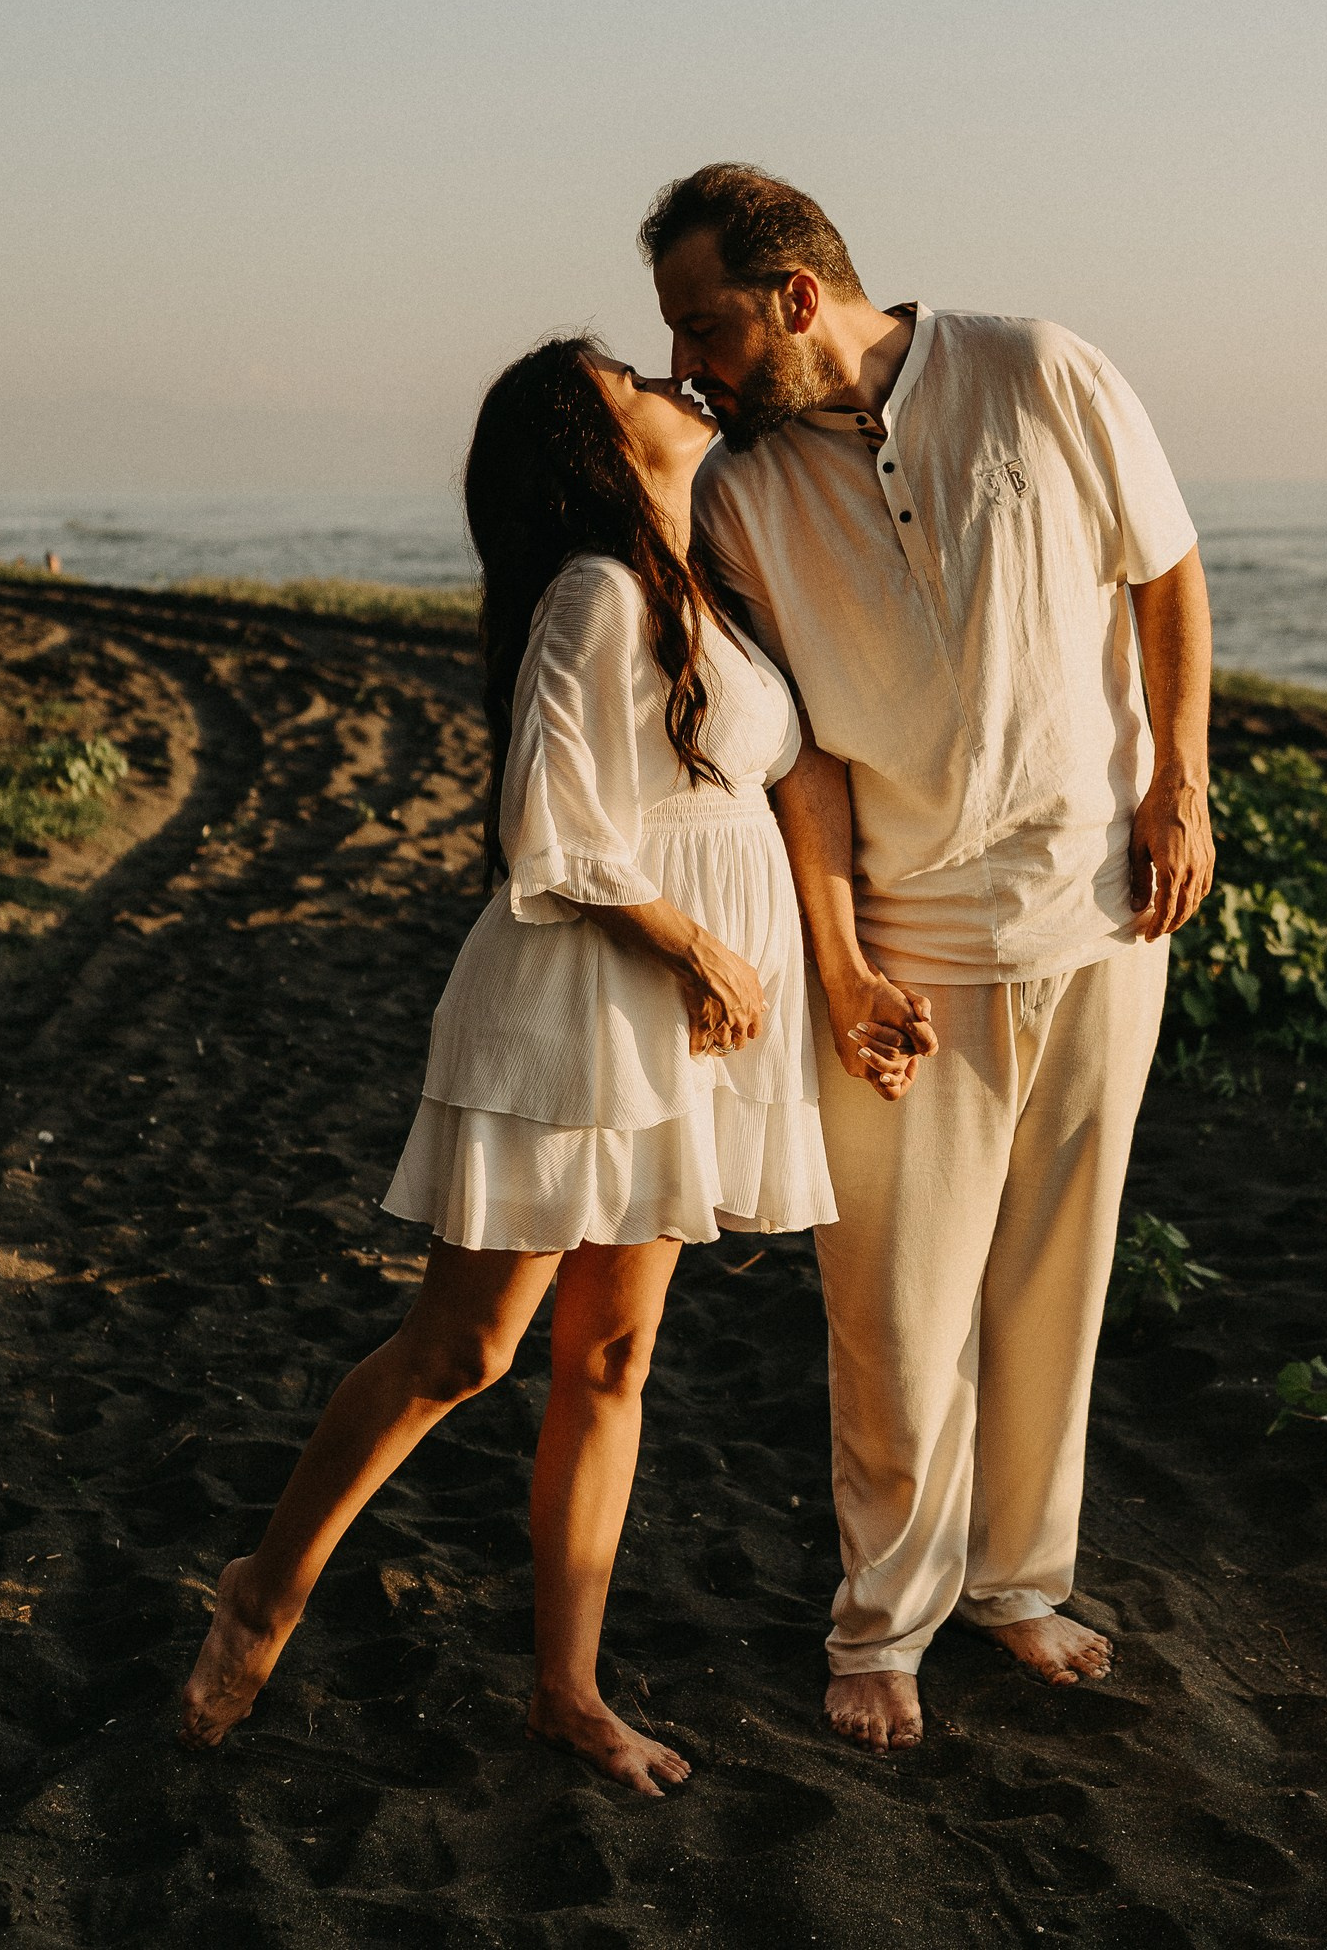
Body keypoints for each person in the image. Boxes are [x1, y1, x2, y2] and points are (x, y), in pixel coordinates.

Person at [179, 335, 838, 1793]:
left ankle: (567, 1692)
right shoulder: (596, 595)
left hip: (690, 1006)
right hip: (582, 992)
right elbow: (550, 820)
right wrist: (693, 948)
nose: (667, 379)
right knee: (466, 1350)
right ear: (587, 443)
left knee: (612, 1356)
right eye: (625, 377)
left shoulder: (709, 594)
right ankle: (265, 1586)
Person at [643, 164, 1215, 1754]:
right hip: (912, 945)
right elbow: (801, 761)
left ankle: (1020, 1587)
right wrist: (834, 958)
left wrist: (1183, 781)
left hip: (1106, 916)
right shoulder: (739, 493)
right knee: (893, 1304)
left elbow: (1165, 571)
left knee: (1058, 1272)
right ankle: (882, 1618)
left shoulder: (1040, 368)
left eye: (706, 326)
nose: (693, 363)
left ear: (797, 295)